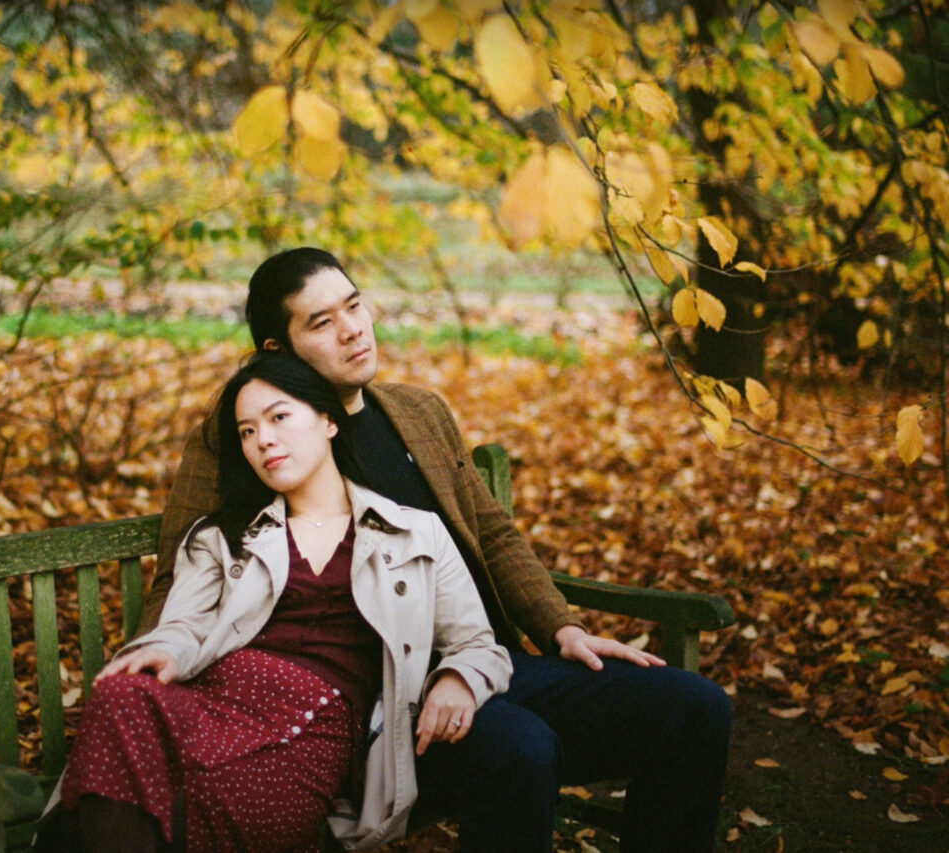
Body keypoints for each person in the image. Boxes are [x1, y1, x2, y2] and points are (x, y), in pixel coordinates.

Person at [140, 247, 733, 852]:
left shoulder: (418, 412)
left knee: (694, 708)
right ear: (277, 352)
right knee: (520, 748)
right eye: (321, 323)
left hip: (489, 661)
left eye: (353, 305)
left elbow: (492, 531)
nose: (353, 329)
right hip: (386, 699)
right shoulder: (247, 438)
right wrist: (162, 694)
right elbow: (180, 571)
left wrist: (562, 628)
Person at [42, 350, 513, 852]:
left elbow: (478, 643)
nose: (263, 440)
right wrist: (168, 650)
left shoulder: (414, 533)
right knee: (121, 695)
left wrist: (458, 679)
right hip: (214, 705)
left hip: (314, 731)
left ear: (328, 420)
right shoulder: (224, 537)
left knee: (153, 811)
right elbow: (182, 625)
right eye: (246, 431)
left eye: (279, 418)